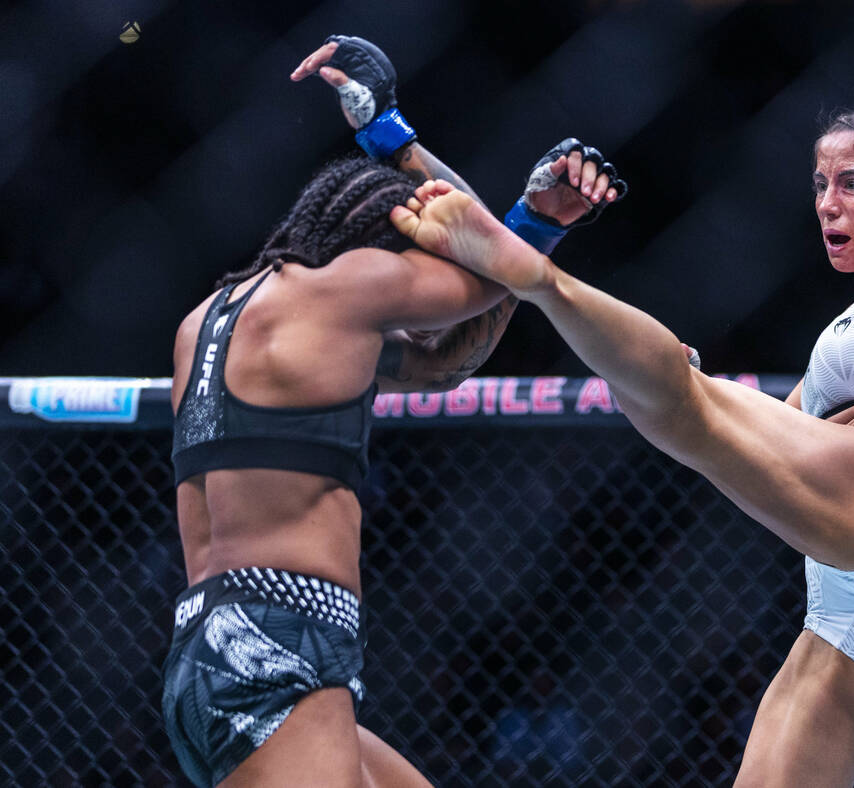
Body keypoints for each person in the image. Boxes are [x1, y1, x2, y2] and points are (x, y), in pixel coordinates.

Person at [385, 76, 854, 786]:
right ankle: (521, 251)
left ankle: (532, 268)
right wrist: (689, 386)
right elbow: (778, 432)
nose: (828, 203)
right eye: (820, 184)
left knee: (674, 399)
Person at [160, 35, 624, 787]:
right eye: (410, 243)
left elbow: (449, 360)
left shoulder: (207, 324)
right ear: (375, 241)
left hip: (206, 648)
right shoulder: (347, 288)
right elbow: (488, 262)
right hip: (282, 643)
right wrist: (396, 139)